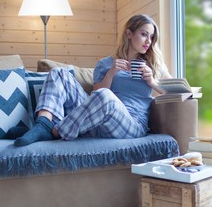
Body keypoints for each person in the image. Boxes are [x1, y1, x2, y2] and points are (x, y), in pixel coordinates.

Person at [13, 14, 172, 147]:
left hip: (132, 125)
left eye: (151, 37)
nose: (148, 41)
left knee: (106, 96)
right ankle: (43, 123)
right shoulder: (106, 64)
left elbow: (181, 93)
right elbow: (96, 97)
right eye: (144, 34)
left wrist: (152, 82)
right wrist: (111, 72)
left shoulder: (154, 65)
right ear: (129, 34)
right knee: (58, 73)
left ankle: (53, 131)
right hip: (97, 121)